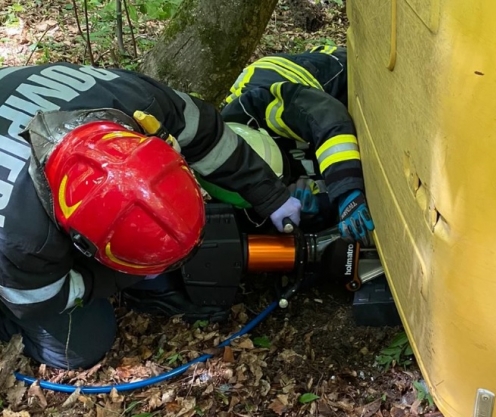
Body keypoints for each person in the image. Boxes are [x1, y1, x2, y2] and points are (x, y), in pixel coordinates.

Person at [0, 62, 308, 370]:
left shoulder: (139, 102)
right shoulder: (23, 240)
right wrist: (117, 277)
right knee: (80, 346)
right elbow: (38, 301)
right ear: (81, 241)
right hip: (17, 251)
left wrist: (270, 195)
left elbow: (210, 137)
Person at [219, 45, 375, 246]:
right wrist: (316, 207)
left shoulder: (260, 107)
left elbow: (326, 117)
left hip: (323, 75)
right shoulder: (232, 190)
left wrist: (346, 192)